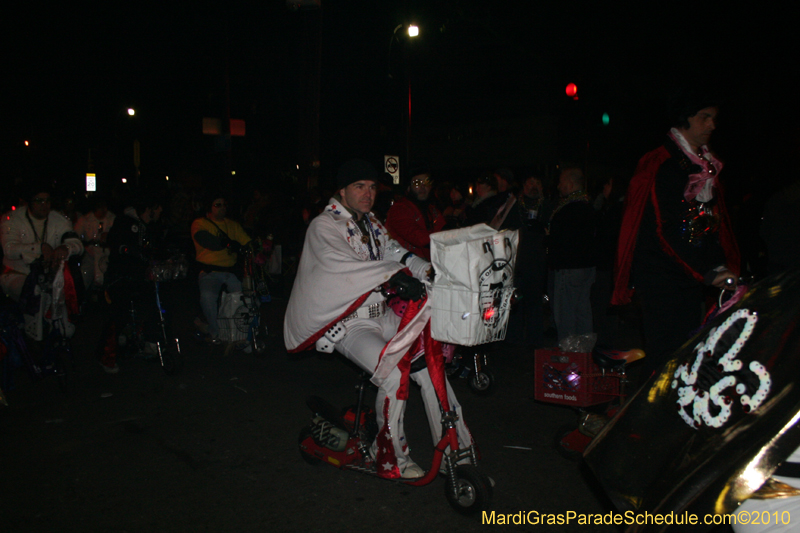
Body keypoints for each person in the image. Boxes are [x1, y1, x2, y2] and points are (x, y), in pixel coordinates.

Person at [284, 158, 472, 479]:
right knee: (393, 376)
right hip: (348, 323)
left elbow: (394, 251)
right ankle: (389, 455)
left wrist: (426, 270)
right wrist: (394, 277)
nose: (368, 193)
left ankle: (456, 448)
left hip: (381, 313)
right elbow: (339, 264)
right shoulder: (324, 225)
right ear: (341, 190)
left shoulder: (370, 222)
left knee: (430, 363)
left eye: (372, 187)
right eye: (360, 187)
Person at [613, 93, 740, 376]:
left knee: (688, 352)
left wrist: (718, 264)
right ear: (685, 119)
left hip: (687, 277)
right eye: (704, 117)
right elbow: (665, 229)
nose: (712, 125)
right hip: (663, 278)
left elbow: (711, 225)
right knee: (668, 357)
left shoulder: (700, 163)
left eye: (713, 118)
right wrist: (707, 270)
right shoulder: (663, 164)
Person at [1, 183, 84, 341]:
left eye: (47, 201)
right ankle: (33, 331)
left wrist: (66, 248)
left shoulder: (58, 219)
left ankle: (61, 323)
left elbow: (76, 243)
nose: (44, 205)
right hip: (17, 274)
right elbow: (9, 249)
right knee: (37, 290)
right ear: (29, 202)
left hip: (49, 275)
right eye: (39, 200)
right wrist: (39, 248)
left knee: (61, 285)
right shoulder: (11, 219)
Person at [99, 192, 163, 373]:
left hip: (140, 278)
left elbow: (156, 249)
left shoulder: (151, 227)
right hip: (121, 277)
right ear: (148, 209)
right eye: (157, 207)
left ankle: (150, 342)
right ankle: (106, 356)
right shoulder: (125, 222)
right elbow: (117, 244)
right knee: (119, 313)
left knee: (159, 301)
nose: (161, 211)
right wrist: (132, 251)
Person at [191, 193, 251, 345]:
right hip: (210, 272)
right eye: (217, 205)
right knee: (207, 297)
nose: (222, 208)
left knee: (245, 298)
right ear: (209, 207)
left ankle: (243, 332)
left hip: (230, 271)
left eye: (224, 204)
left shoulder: (233, 225)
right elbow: (208, 241)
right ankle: (215, 331)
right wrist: (230, 244)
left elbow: (247, 242)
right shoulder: (200, 223)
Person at [547, 167, 596, 342]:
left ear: (570, 183)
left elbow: (559, 239)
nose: (559, 186)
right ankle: (584, 353)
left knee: (565, 314)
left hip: (568, 267)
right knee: (582, 311)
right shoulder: (588, 205)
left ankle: (570, 355)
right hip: (586, 267)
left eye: (561, 182)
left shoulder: (568, 209)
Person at [384, 164, 445, 261]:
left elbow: (443, 228)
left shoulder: (432, 210)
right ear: (409, 186)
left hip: (428, 262)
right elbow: (418, 238)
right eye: (417, 183)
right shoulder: (399, 209)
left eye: (427, 182)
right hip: (404, 264)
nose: (423, 187)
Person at [74, 196, 115, 290]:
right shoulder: (85, 220)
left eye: (104, 207)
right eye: (100, 207)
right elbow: (75, 237)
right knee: (84, 277)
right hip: (90, 256)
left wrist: (109, 236)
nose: (103, 210)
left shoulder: (112, 218)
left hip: (106, 256)